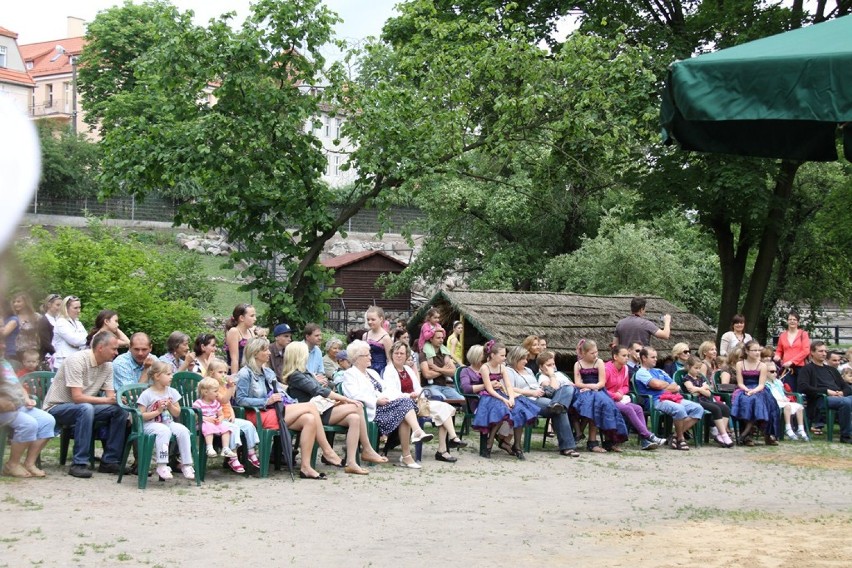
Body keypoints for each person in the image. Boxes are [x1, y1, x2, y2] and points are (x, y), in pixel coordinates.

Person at [234, 337, 343, 479]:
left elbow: (281, 391)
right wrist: (266, 401)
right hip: (259, 414)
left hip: (277, 411)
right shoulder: (245, 373)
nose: (269, 353)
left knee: (309, 419)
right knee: (310, 406)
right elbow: (240, 400)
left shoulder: (268, 373)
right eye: (265, 350)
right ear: (255, 353)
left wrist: (291, 399)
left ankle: (306, 468)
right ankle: (327, 451)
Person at [283, 341, 387, 475]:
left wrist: (335, 398)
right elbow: (318, 390)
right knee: (357, 407)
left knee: (354, 418)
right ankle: (366, 449)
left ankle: (351, 463)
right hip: (315, 413)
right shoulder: (295, 375)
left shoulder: (305, 373)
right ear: (299, 356)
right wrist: (345, 398)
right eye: (305, 353)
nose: (308, 355)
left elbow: (323, 389)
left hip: (322, 408)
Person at [43, 331, 128, 478]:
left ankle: (110, 461)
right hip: (58, 407)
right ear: (101, 347)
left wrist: (118, 400)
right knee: (85, 408)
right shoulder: (77, 360)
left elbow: (110, 397)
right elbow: (77, 397)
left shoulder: (108, 366)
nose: (116, 352)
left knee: (119, 410)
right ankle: (79, 463)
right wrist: (108, 400)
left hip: (84, 407)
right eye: (114, 349)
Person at [342, 339, 432, 469]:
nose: (370, 357)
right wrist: (376, 401)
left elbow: (387, 390)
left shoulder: (371, 373)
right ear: (357, 358)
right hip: (371, 411)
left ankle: (412, 445)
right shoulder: (350, 374)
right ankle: (414, 439)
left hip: (385, 407)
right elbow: (353, 395)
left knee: (405, 407)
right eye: (367, 355)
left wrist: (403, 395)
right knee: (405, 407)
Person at [383, 340, 466, 463]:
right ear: (392, 355)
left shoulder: (408, 369)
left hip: (417, 402)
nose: (399, 356)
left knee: (444, 407)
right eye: (396, 353)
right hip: (402, 405)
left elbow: (418, 387)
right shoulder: (389, 370)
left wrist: (418, 394)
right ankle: (448, 444)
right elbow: (391, 392)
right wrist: (408, 395)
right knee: (441, 411)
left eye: (402, 353)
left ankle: (447, 445)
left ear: (406, 355)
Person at [471, 340, 540, 460]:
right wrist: (504, 399)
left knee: (520, 409)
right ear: (492, 355)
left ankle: (517, 445)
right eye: (502, 355)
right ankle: (490, 440)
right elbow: (489, 389)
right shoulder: (485, 367)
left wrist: (512, 398)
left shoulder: (502, 367)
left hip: (503, 393)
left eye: (505, 355)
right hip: (489, 397)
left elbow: (508, 386)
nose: (504, 358)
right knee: (502, 409)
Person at [634, 347, 705, 451]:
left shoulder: (659, 371)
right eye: (653, 357)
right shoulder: (641, 372)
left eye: (656, 357)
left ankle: (674, 436)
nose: (656, 359)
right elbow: (656, 384)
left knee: (698, 408)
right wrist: (665, 385)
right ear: (644, 358)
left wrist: (662, 386)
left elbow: (675, 386)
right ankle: (681, 438)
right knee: (679, 409)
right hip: (656, 401)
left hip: (672, 398)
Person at [0, 347, 55, 477]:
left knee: (48, 420)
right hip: (4, 410)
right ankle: (12, 464)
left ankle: (29, 463)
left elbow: (17, 385)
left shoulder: (4, 363)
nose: (3, 346)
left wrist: (26, 399)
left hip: (18, 406)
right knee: (29, 423)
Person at [137, 361, 196, 480]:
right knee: (164, 431)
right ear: (157, 376)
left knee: (183, 431)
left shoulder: (172, 392)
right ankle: (162, 464)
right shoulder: (147, 394)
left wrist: (170, 406)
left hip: (168, 422)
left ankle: (187, 464)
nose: (172, 376)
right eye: (168, 374)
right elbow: (140, 415)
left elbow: (177, 412)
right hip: (150, 424)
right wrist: (157, 411)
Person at [604, 345, 665, 450]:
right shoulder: (607, 369)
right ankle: (649, 436)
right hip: (607, 399)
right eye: (624, 355)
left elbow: (625, 386)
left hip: (619, 398)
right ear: (615, 357)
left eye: (627, 355)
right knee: (628, 409)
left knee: (638, 408)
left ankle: (645, 440)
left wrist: (620, 392)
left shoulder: (625, 369)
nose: (627, 358)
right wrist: (615, 395)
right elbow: (602, 388)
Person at [204, 358, 261, 470]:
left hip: (227, 418)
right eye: (220, 372)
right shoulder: (211, 388)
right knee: (233, 428)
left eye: (225, 372)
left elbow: (228, 404)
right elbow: (223, 400)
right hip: (217, 421)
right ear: (211, 373)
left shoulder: (224, 386)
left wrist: (232, 414)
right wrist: (232, 387)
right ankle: (233, 458)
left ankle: (250, 451)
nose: (224, 375)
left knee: (248, 425)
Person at [573, 339, 628, 453]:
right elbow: (577, 382)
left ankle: (609, 441)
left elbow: (602, 382)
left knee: (607, 405)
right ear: (583, 353)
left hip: (599, 390)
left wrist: (593, 387)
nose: (595, 355)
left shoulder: (599, 362)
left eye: (596, 352)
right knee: (591, 404)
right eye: (592, 353)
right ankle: (592, 442)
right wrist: (588, 387)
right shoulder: (578, 364)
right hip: (583, 391)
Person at [798, 341, 852, 444]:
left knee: (846, 400)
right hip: (821, 399)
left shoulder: (832, 370)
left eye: (825, 351)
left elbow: (846, 387)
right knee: (846, 402)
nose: (824, 353)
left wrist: (841, 393)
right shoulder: (807, 369)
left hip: (839, 396)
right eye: (820, 351)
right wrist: (827, 391)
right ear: (812, 353)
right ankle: (846, 436)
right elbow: (803, 387)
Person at [733, 340, 780, 446]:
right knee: (746, 401)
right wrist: (747, 390)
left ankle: (756, 434)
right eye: (754, 350)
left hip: (759, 389)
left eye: (759, 350)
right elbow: (740, 382)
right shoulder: (740, 364)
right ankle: (747, 434)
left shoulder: (762, 365)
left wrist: (753, 391)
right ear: (747, 351)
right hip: (743, 388)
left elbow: (761, 384)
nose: (757, 352)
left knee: (758, 401)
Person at [536, 350, 582, 457]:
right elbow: (553, 389)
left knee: (568, 389)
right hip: (556, 400)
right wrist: (552, 376)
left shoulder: (560, 374)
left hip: (571, 400)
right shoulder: (542, 377)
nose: (552, 367)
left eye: (553, 364)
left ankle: (557, 405)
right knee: (560, 410)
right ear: (542, 367)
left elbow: (573, 385)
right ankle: (567, 447)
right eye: (548, 365)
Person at [681, 356, 734, 447]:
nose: (698, 370)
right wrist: (703, 389)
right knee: (716, 408)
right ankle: (724, 435)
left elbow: (709, 394)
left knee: (725, 408)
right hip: (696, 401)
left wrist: (699, 390)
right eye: (696, 368)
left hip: (705, 399)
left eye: (699, 368)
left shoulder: (701, 378)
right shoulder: (686, 378)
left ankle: (720, 434)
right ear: (689, 367)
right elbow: (691, 390)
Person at [192, 377, 240, 469]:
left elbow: (221, 414)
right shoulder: (198, 403)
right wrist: (206, 418)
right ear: (205, 392)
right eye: (215, 391)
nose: (217, 393)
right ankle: (209, 447)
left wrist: (220, 419)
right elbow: (196, 417)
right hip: (202, 423)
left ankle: (225, 448)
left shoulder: (216, 403)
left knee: (226, 429)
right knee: (209, 426)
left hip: (215, 423)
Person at [419, 326, 464, 401]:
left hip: (444, 386)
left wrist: (438, 369)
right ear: (431, 339)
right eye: (438, 338)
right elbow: (427, 374)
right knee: (441, 398)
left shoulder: (444, 353)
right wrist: (444, 370)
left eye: (442, 338)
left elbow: (453, 372)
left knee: (462, 399)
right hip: (429, 387)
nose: (441, 340)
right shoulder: (424, 354)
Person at [765, 364, 809, 441]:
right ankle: (788, 429)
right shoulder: (764, 384)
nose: (775, 373)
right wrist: (780, 400)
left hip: (782, 400)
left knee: (799, 407)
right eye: (772, 372)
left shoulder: (778, 382)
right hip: (772, 402)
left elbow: (783, 393)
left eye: (776, 371)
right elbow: (767, 396)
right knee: (787, 406)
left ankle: (801, 429)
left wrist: (785, 398)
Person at [773, 311, 810, 391]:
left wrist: (792, 361)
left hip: (800, 367)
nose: (792, 321)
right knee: (788, 389)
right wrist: (777, 355)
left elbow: (806, 351)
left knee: (800, 390)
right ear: (787, 321)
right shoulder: (782, 335)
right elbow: (779, 350)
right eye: (790, 319)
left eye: (794, 319)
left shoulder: (803, 334)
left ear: (798, 322)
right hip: (787, 368)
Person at [51, 295, 87, 371]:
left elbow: (86, 339)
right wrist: (84, 340)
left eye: (79, 307)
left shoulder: (78, 323)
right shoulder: (61, 322)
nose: (78, 311)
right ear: (66, 308)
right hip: (63, 364)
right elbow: (75, 340)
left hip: (77, 362)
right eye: (75, 308)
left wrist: (83, 341)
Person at [3, 292, 39, 361]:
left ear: (26, 302)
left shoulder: (36, 317)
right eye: (14, 302)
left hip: (33, 350)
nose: (15, 304)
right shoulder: (13, 318)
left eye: (18, 301)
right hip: (18, 351)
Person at [225, 303, 256, 375]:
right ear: (241, 318)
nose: (255, 319)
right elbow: (234, 359)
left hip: (251, 372)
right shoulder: (234, 331)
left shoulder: (251, 332)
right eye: (252, 316)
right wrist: (234, 379)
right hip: (239, 373)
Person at [362, 307, 392, 376]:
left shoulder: (386, 338)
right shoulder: (365, 336)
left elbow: (390, 359)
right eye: (368, 319)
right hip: (367, 369)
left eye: (373, 319)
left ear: (381, 319)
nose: (370, 322)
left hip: (380, 371)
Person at [37, 293, 62, 365]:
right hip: (49, 355)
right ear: (49, 305)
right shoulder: (44, 320)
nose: (60, 308)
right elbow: (45, 342)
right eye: (57, 305)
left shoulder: (59, 319)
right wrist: (55, 353)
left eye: (61, 305)